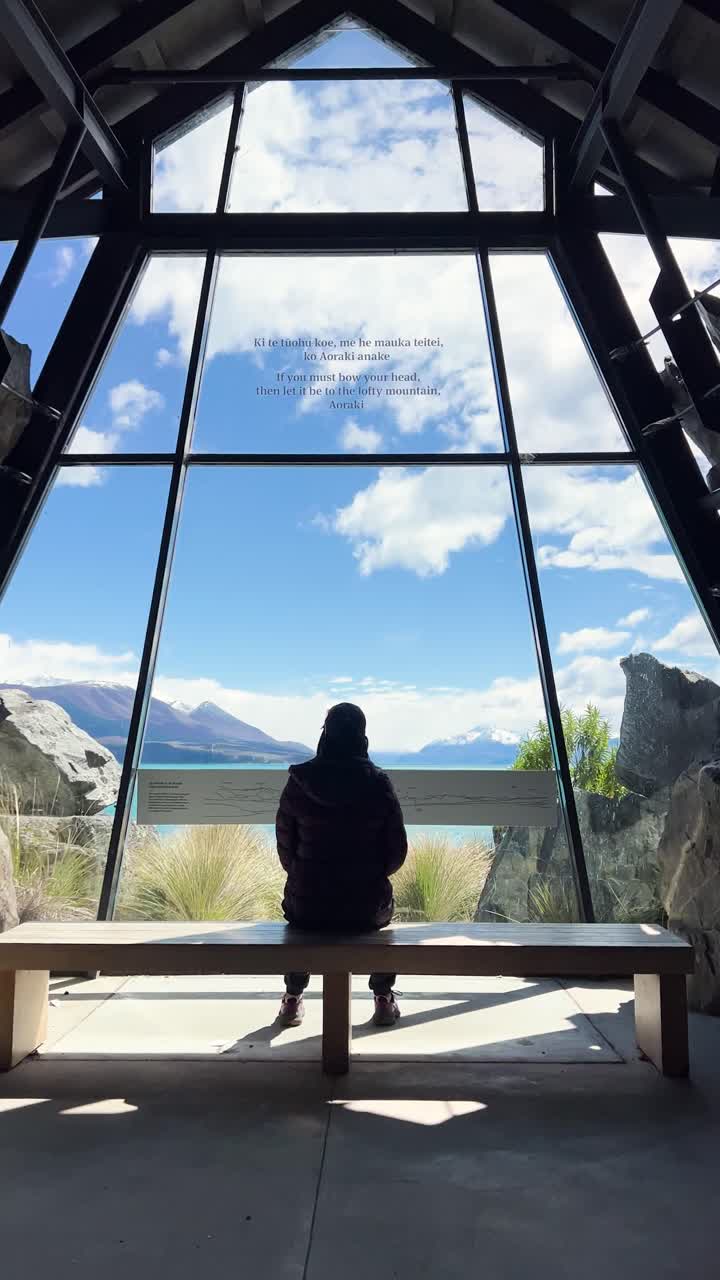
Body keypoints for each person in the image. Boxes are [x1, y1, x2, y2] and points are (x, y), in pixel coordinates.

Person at [276, 702, 408, 1028]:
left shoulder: (299, 781)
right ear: (362, 739)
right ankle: (383, 997)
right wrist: (372, 874)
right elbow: (397, 852)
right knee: (381, 912)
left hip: (308, 906)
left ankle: (292, 999)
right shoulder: (378, 783)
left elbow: (285, 849)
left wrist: (305, 873)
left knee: (300, 914)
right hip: (365, 909)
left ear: (325, 736)